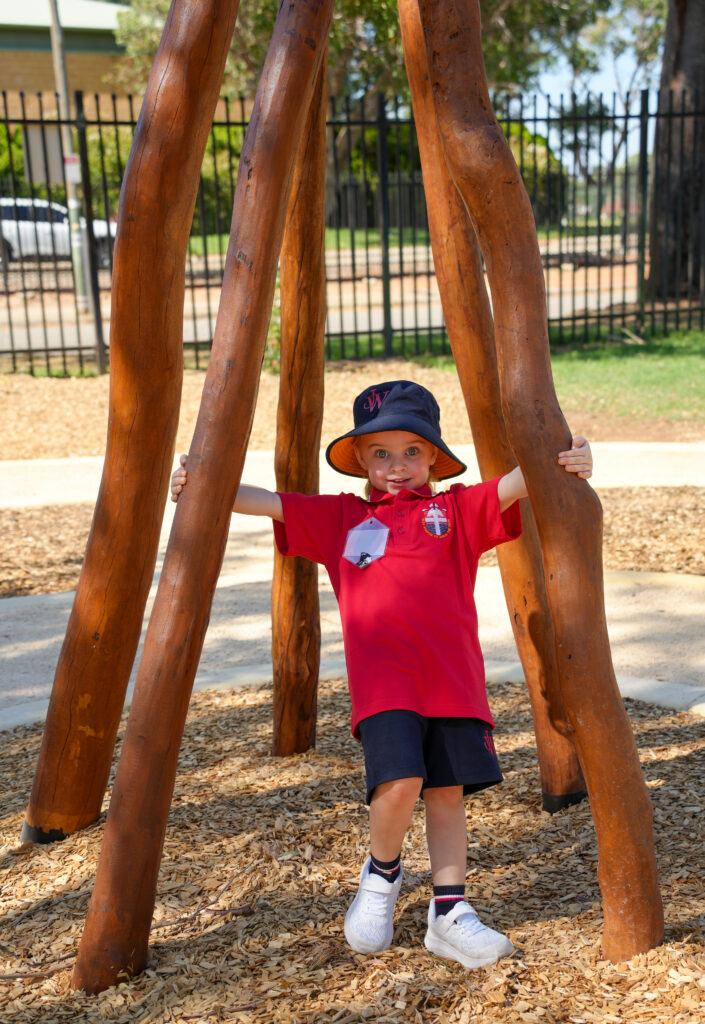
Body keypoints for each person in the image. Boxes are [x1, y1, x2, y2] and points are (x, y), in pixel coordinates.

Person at [171, 379, 593, 970]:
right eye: (381, 453)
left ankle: (449, 913)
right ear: (362, 461)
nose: (398, 466)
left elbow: (522, 480)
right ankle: (382, 874)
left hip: (453, 681)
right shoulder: (343, 517)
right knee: (398, 785)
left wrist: (572, 456)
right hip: (386, 684)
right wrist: (198, 480)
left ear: (433, 458)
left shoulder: (454, 510)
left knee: (447, 795)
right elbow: (266, 501)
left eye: (412, 451)